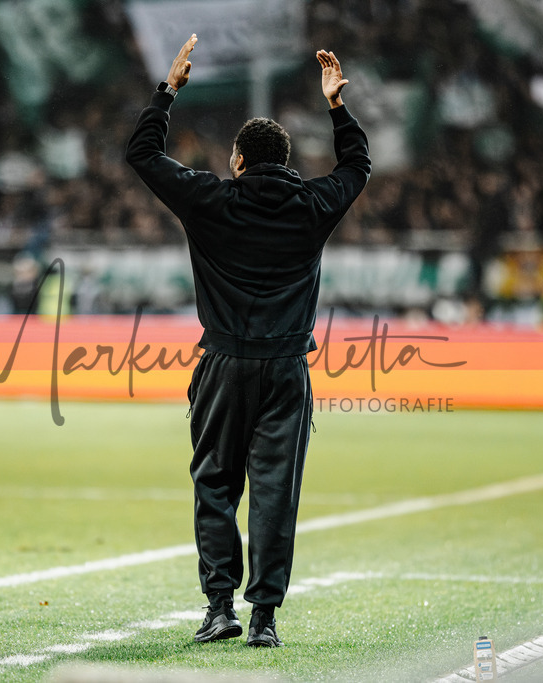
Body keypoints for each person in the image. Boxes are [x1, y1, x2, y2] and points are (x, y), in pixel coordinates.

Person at [126, 35, 370, 647]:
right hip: (287, 369)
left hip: (225, 366)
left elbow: (142, 152)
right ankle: (264, 618)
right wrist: (337, 107)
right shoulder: (312, 205)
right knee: (273, 494)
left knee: (215, 483)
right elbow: (357, 166)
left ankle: (219, 609)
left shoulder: (211, 201)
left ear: (237, 161)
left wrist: (168, 90)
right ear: (286, 161)